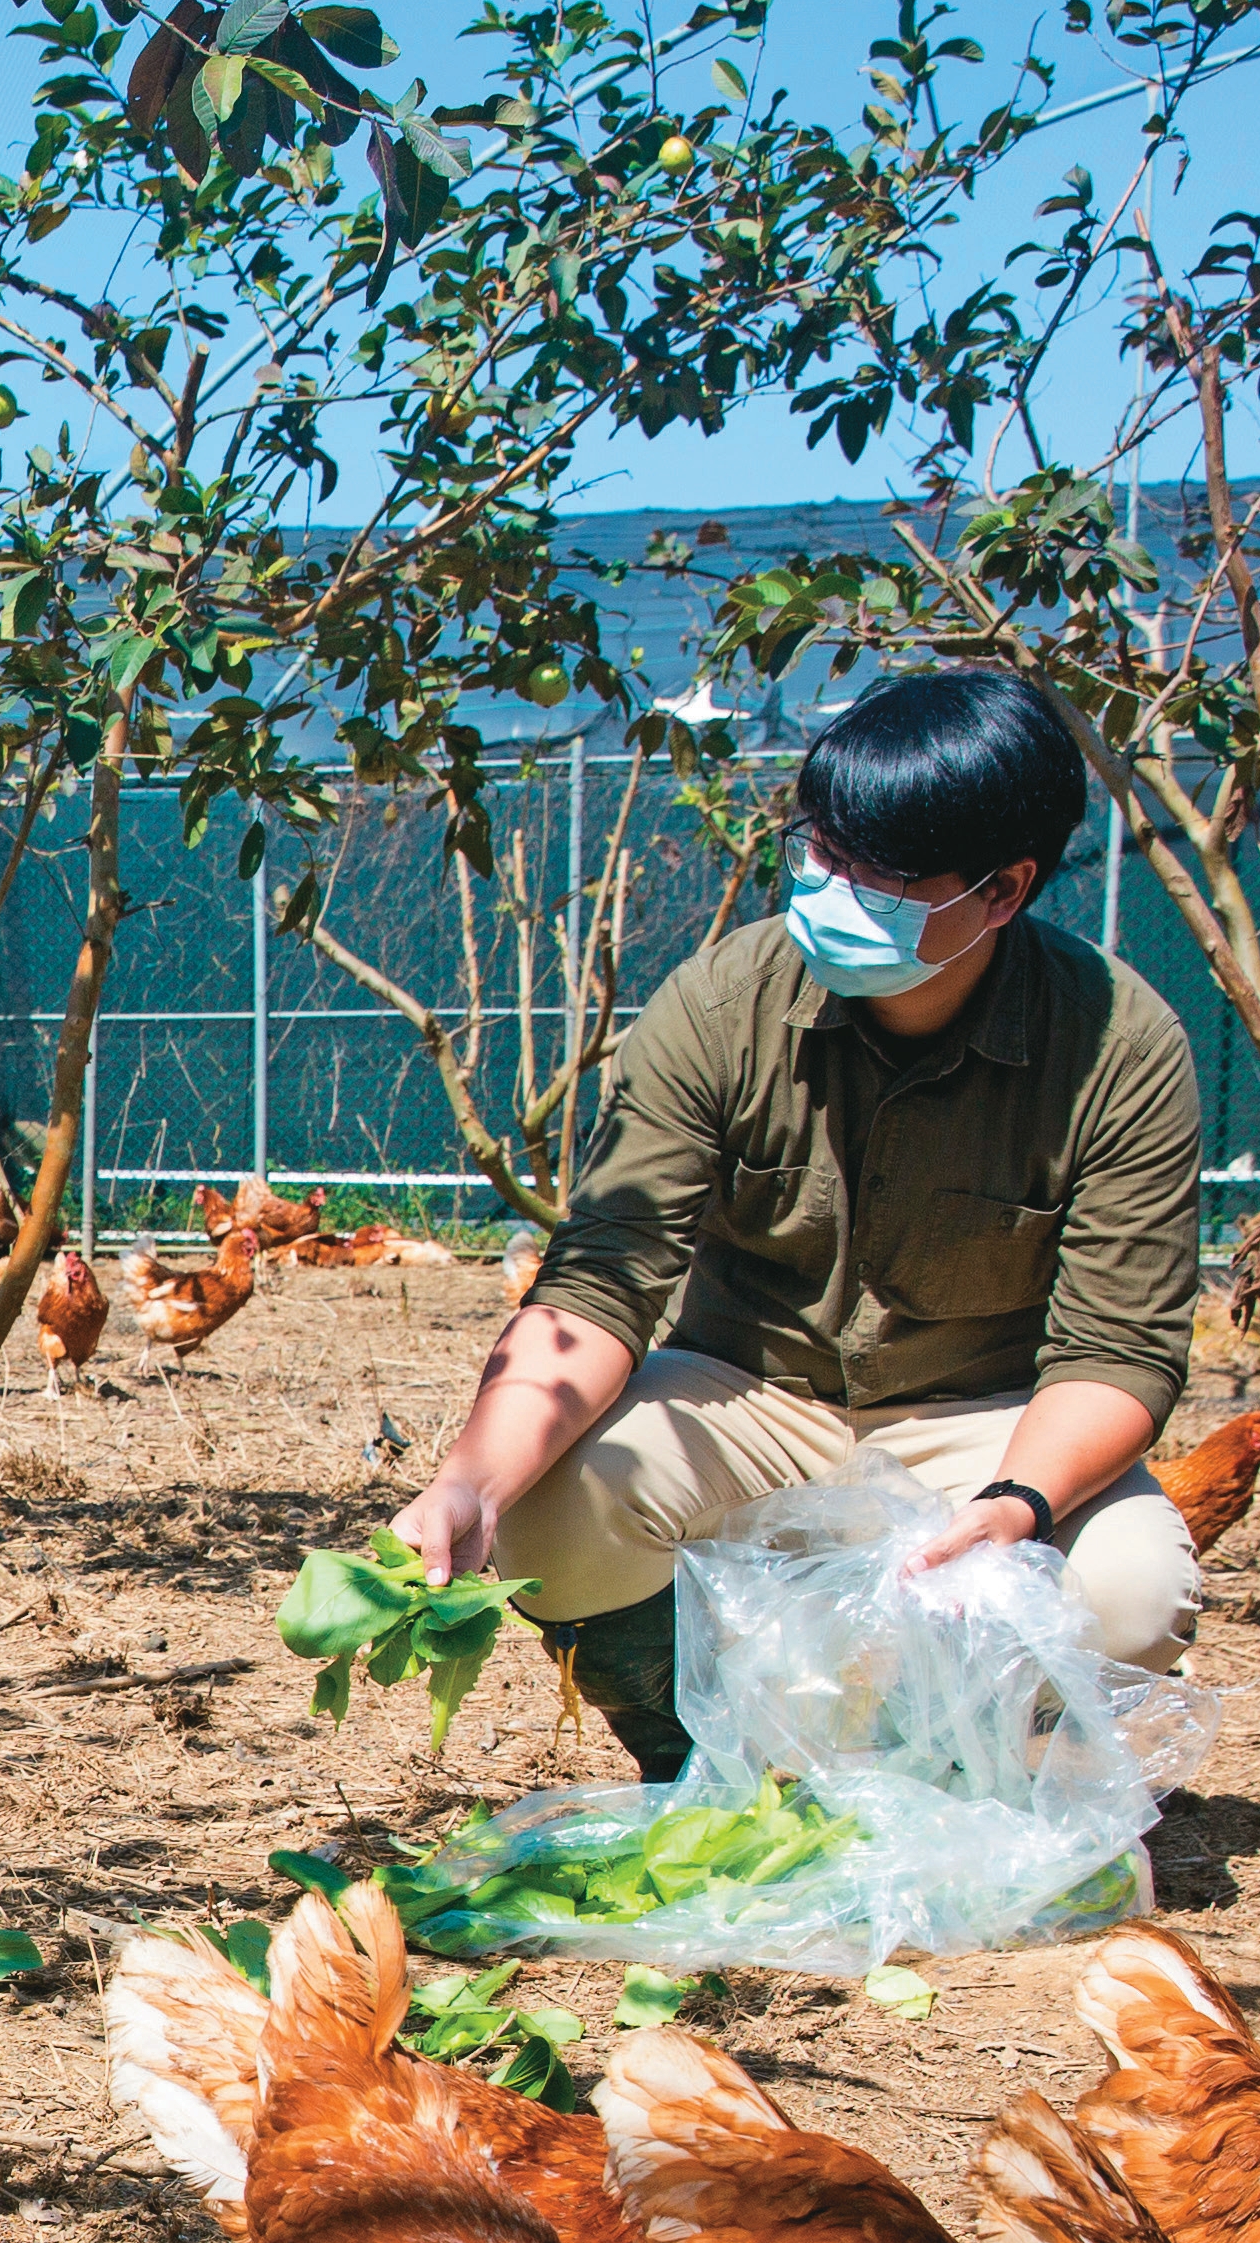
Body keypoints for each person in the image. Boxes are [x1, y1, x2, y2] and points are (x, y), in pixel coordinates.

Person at [388, 667, 1205, 1779]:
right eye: (822, 849)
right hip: (752, 1393)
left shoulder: (1118, 1047)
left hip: (989, 1416)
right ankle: (711, 1771)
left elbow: (1119, 1351)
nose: (832, 885)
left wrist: (1018, 1504)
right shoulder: (724, 1004)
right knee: (552, 1516)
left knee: (1131, 1592)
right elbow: (603, 1278)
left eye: (883, 872)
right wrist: (472, 1480)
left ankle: (977, 1788)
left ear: (1005, 890)